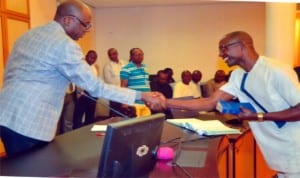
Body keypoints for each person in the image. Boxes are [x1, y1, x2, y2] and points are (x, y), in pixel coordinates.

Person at [0, 0, 165, 157]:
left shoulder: (28, 35)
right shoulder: (64, 44)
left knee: (20, 167)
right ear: (67, 20)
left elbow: (10, 73)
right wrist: (141, 96)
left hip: (6, 113)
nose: (87, 30)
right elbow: (96, 87)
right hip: (29, 122)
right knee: (32, 170)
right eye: (85, 24)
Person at [166, 31, 300, 177]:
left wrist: (259, 116)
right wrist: (166, 102)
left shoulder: (276, 70)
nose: (220, 54)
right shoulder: (238, 76)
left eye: (224, 48)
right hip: (277, 152)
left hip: (294, 147)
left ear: (242, 45)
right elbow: (210, 102)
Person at [120, 48, 152, 117]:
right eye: (138, 55)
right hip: (134, 103)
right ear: (131, 56)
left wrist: (150, 99)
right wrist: (124, 102)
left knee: (147, 125)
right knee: (136, 126)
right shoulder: (126, 68)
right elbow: (123, 87)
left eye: (141, 54)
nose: (140, 56)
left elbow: (147, 84)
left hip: (145, 103)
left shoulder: (145, 67)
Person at [73, 50, 99, 129]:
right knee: (78, 117)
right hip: (83, 94)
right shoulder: (81, 66)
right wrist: (79, 93)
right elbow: (77, 79)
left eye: (94, 58)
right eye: (90, 57)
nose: (92, 60)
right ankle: (76, 134)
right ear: (86, 56)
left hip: (92, 94)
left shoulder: (94, 67)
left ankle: (88, 132)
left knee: (90, 116)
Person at [103, 48, 126, 117]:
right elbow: (108, 81)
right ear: (109, 56)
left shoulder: (123, 64)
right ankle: (113, 127)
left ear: (117, 54)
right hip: (114, 93)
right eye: (110, 55)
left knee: (124, 113)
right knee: (114, 114)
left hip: (125, 92)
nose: (112, 56)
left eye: (114, 54)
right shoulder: (107, 66)